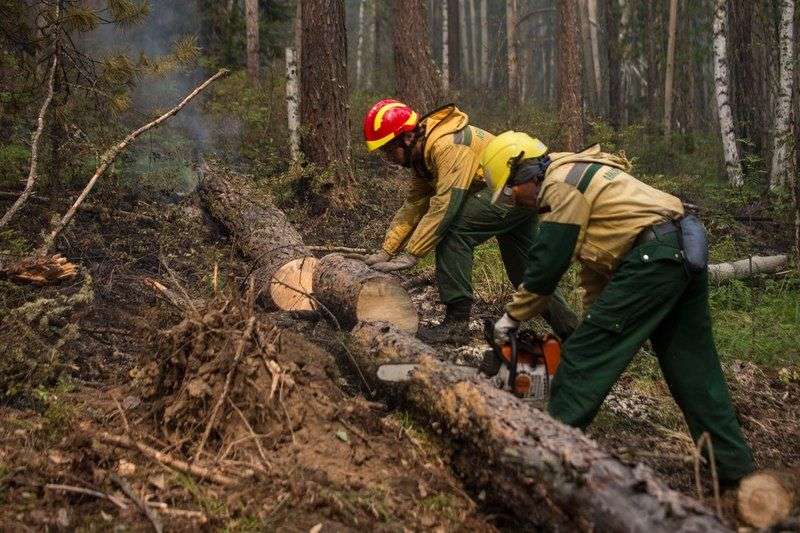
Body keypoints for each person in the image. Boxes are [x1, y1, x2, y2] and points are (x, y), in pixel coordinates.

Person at [485, 131, 755, 485]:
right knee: (691, 366)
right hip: (680, 248)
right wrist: (592, 324)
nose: (515, 203)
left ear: (523, 173)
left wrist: (511, 319)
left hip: (653, 257)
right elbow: (595, 271)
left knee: (581, 359)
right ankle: (735, 470)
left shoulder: (561, 185)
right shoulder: (581, 174)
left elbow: (546, 266)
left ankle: (544, 463)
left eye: (510, 193)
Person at [362, 99, 577, 344]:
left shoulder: (446, 146)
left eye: (389, 150)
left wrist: (412, 253)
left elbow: (445, 205)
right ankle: (574, 335)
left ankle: (457, 323)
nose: (388, 157)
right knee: (526, 273)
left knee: (453, 231)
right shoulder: (423, 155)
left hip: (514, 189)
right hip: (511, 190)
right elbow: (414, 204)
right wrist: (386, 251)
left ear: (407, 138)